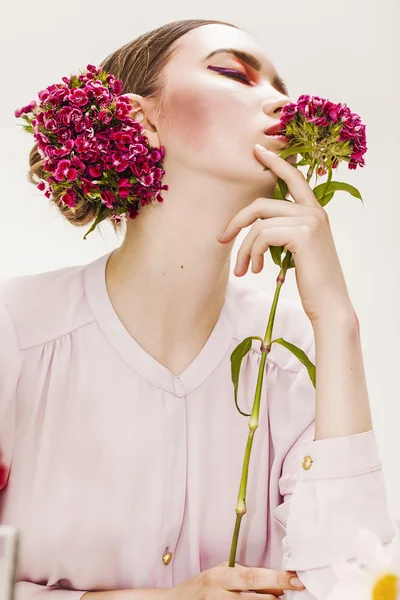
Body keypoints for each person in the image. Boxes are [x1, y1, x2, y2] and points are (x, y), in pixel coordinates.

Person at [0, 18, 396, 600]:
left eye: (283, 85)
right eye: (235, 72)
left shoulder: (294, 351)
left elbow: (352, 582)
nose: (285, 103)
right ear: (139, 119)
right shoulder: (16, 331)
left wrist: (338, 324)